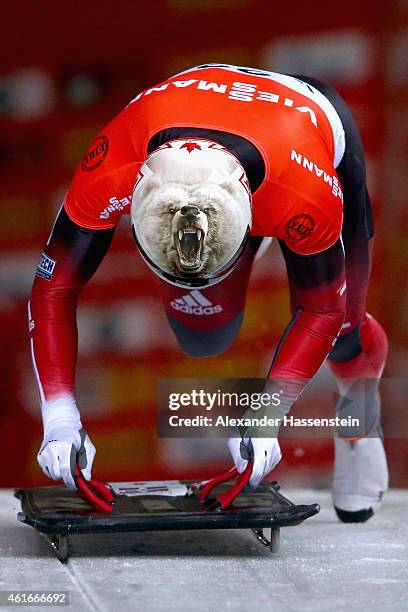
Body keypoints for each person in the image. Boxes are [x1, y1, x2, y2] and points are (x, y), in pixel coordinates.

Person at [29, 64, 388, 521]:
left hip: (304, 142)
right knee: (204, 334)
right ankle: (237, 257)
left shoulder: (306, 193)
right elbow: (53, 289)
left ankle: (360, 420)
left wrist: (266, 417)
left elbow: (323, 310)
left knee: (345, 337)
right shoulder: (114, 161)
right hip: (234, 144)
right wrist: (59, 417)